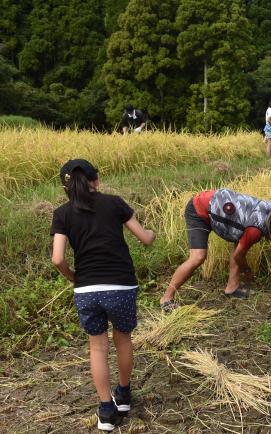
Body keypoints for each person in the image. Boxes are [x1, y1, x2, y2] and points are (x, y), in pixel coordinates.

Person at [50, 159, 156, 432]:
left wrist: (74, 277)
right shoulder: (114, 203)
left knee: (97, 347)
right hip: (121, 285)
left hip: (87, 289)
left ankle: (106, 411)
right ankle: (123, 395)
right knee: (123, 340)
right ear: (96, 180)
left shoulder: (62, 213)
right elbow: (144, 238)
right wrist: (152, 234)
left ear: (66, 187)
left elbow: (57, 258)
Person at [159, 189, 271, 309]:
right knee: (198, 257)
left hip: (217, 206)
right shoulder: (255, 230)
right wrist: (247, 270)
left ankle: (231, 288)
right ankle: (166, 298)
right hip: (199, 210)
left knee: (239, 240)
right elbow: (239, 255)